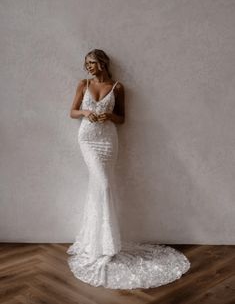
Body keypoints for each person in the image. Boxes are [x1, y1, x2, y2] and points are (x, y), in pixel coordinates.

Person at [67, 49, 190, 289]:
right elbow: (72, 112)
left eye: (92, 63)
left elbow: (122, 119)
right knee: (102, 184)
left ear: (103, 63)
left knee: (102, 185)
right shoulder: (83, 84)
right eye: (86, 64)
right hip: (88, 140)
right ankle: (99, 244)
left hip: (108, 141)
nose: (88, 67)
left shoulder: (118, 88)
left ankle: (99, 241)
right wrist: (86, 112)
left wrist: (108, 116)